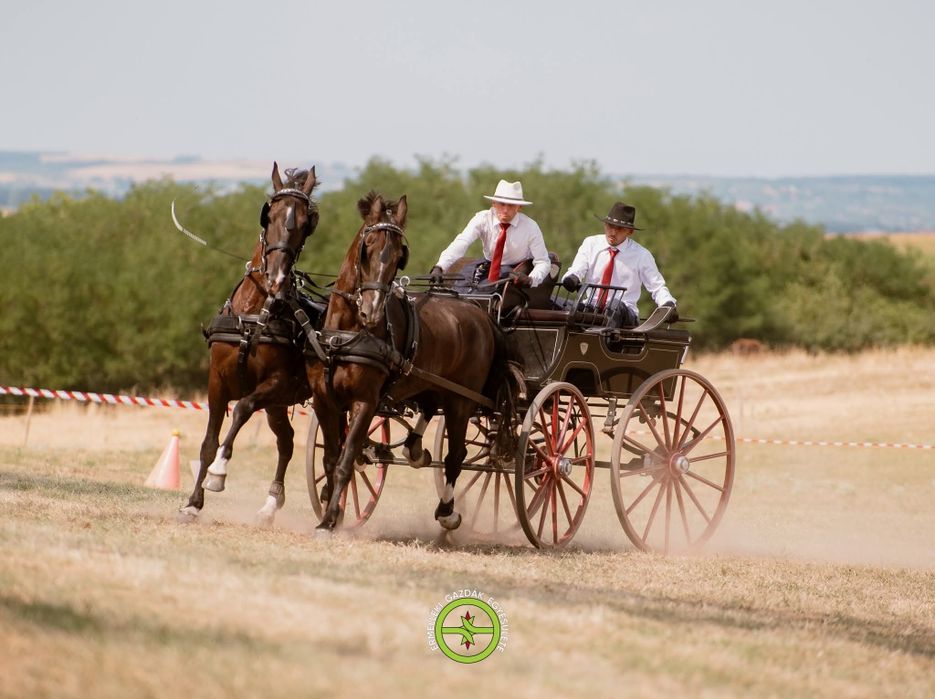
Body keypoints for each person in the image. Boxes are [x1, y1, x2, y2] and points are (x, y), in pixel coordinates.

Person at [561, 202, 677, 327]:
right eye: (610, 226)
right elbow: (577, 269)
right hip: (591, 308)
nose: (613, 232)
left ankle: (604, 341)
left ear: (630, 232)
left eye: (619, 228)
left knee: (615, 305)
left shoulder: (642, 255)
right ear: (605, 224)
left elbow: (657, 287)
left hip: (624, 314)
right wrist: (572, 278)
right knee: (552, 302)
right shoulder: (591, 243)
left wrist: (668, 304)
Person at [429, 180, 551, 289]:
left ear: (519, 207)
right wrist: (440, 266)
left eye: (511, 205)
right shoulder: (482, 218)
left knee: (486, 291)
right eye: (501, 204)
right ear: (493, 203)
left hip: (517, 271)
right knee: (460, 286)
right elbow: (462, 242)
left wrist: (531, 279)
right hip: (488, 265)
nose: (505, 210)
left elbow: (543, 261)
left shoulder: (530, 227)